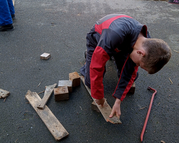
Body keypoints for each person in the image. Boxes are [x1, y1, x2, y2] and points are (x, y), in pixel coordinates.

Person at [80, 14, 171, 120]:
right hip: (98, 37)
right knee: (91, 80)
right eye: (139, 64)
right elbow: (96, 66)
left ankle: (112, 53)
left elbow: (130, 71)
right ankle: (91, 55)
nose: (137, 66)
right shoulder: (113, 35)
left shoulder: (147, 43)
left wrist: (118, 100)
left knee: (131, 73)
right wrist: (98, 96)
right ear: (141, 53)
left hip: (122, 44)